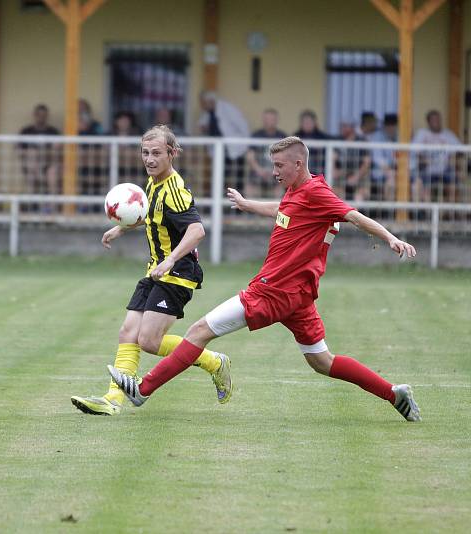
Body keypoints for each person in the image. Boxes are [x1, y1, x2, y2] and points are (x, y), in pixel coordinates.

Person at [108, 136, 421, 423]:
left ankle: (142, 390)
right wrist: (247, 204)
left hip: (275, 291)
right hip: (298, 296)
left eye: (279, 166)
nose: (274, 172)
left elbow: (353, 215)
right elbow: (281, 209)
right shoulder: (297, 193)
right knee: (322, 361)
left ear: (299, 164)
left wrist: (391, 238)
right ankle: (395, 394)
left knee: (199, 331)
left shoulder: (317, 194)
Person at [71, 125, 232, 416]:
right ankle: (113, 400)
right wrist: (120, 229)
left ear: (172, 153)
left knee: (149, 341)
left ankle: (214, 362)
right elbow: (151, 217)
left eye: (156, 153)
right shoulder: (151, 183)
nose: (149, 159)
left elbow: (196, 231)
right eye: (145, 153)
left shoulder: (175, 191)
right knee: (127, 332)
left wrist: (170, 260)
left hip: (178, 273)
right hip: (156, 271)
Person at [197, 91, 250, 190]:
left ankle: (240, 202)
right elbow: (202, 126)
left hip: (236, 145)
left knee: (239, 174)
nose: (202, 106)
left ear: (210, 101)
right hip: (220, 149)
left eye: (204, 103)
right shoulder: (207, 112)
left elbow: (242, 124)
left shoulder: (227, 108)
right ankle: (222, 199)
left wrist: (246, 143)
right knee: (222, 175)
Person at [411, 110, 461, 203]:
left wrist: (453, 159)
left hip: (445, 168)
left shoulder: (448, 134)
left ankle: (450, 214)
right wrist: (423, 159)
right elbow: (414, 151)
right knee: (422, 186)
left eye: (438, 119)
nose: (436, 122)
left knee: (453, 185)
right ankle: (427, 214)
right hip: (426, 169)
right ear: (428, 122)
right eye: (433, 120)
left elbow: (460, 150)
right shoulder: (422, 133)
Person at [18, 103, 61, 200]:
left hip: (48, 164)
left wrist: (41, 154)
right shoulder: (26, 131)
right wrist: (35, 153)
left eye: (44, 115)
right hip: (31, 166)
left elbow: (56, 151)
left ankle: (52, 206)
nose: (41, 118)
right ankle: (31, 204)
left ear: (47, 116)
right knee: (32, 155)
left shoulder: (53, 132)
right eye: (39, 115)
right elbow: (20, 151)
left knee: (52, 172)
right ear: (34, 115)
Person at [246, 108, 287, 198]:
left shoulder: (282, 136)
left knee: (280, 189)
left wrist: (275, 170)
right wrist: (259, 170)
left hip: (277, 172)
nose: (269, 121)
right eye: (267, 119)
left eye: (272, 119)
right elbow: (250, 156)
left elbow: (287, 158)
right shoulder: (256, 135)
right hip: (258, 171)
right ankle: (254, 212)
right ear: (263, 120)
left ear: (276, 120)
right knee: (250, 190)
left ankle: (276, 211)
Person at [334, 120, 371, 201]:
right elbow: (333, 160)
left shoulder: (362, 141)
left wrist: (356, 177)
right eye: (343, 127)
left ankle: (354, 213)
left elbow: (367, 163)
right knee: (337, 195)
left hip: (360, 177)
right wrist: (336, 172)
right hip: (342, 177)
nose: (344, 129)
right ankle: (343, 213)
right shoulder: (338, 140)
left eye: (347, 126)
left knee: (359, 196)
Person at [369, 113, 398, 203]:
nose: (391, 128)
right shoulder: (377, 137)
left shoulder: (400, 136)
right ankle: (389, 213)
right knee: (391, 181)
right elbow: (378, 159)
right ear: (384, 126)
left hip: (399, 172)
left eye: (393, 125)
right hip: (380, 174)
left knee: (416, 182)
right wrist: (391, 171)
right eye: (388, 125)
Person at [293, 110, 331, 175]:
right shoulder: (295, 137)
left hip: (320, 168)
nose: (307, 125)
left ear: (315, 123)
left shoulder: (322, 137)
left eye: (309, 122)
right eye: (305, 122)